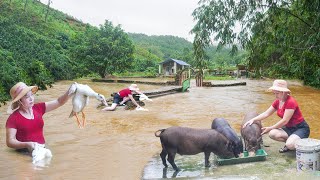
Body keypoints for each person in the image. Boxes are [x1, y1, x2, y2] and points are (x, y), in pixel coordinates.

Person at [242, 79, 310, 153]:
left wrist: (270, 127)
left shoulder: (290, 102)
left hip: (300, 128)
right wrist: (253, 120)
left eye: (277, 93)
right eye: (274, 93)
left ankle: (296, 143)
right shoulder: (277, 101)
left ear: (284, 92)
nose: (275, 95)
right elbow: (266, 113)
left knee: (290, 144)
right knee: (272, 134)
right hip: (288, 128)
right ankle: (291, 142)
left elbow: (285, 120)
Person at [5, 82, 73, 153]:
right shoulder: (13, 118)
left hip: (41, 147)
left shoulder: (38, 108)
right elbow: (10, 141)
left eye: (31, 95)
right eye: (27, 97)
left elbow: (59, 102)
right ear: (19, 101)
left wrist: (70, 91)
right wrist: (27, 144)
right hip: (24, 152)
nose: (31, 98)